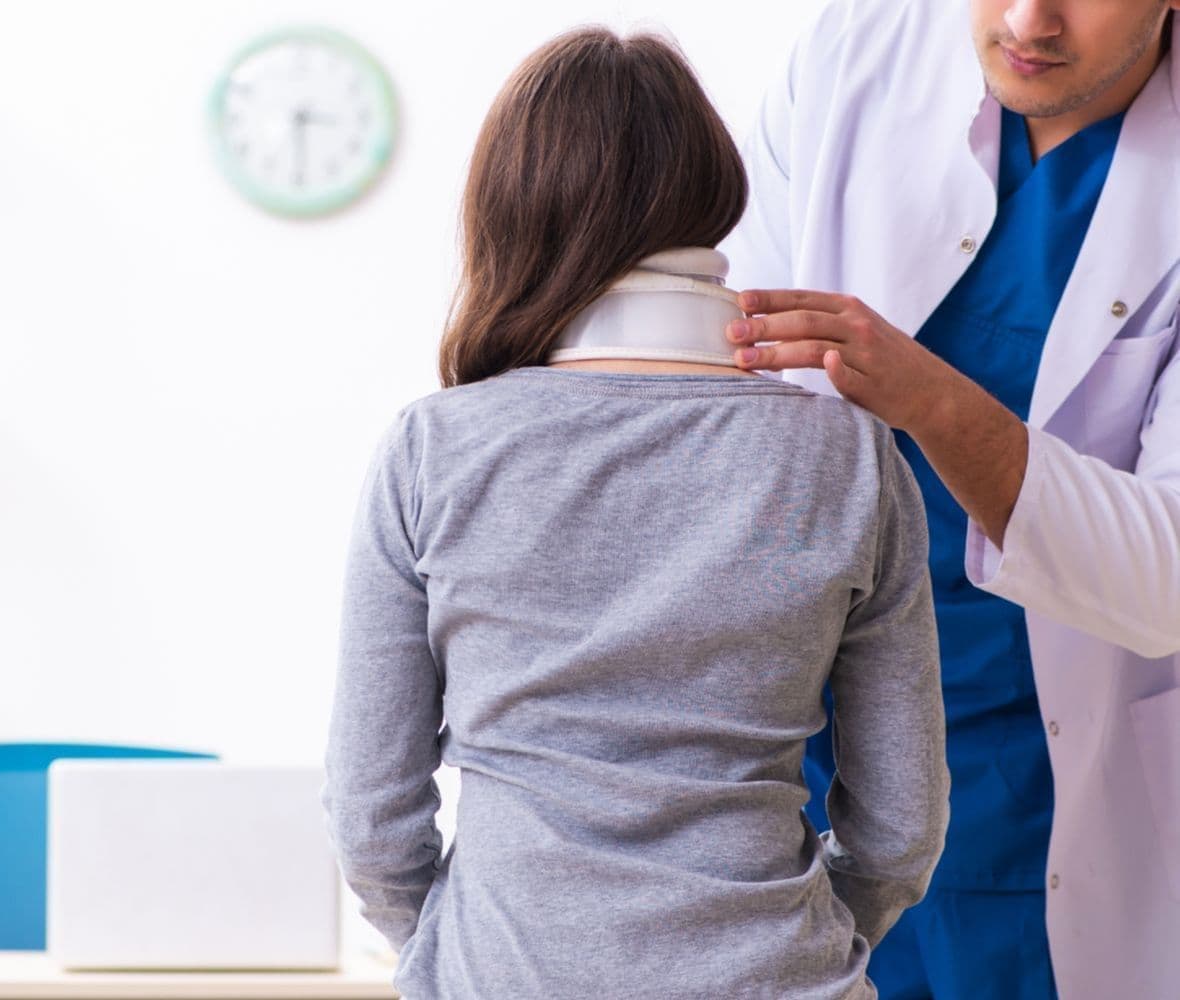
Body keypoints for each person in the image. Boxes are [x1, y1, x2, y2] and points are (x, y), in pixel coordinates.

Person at [322, 27, 949, 999]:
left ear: (508, 211)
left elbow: (371, 818)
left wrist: (456, 950)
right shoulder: (849, 456)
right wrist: (811, 939)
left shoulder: (433, 450)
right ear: (713, 194)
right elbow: (902, 829)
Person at [720, 0, 1180, 996]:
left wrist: (931, 401)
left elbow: (1169, 578)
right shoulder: (854, 52)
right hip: (807, 770)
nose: (1028, 20)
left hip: (1043, 796)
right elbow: (721, 375)